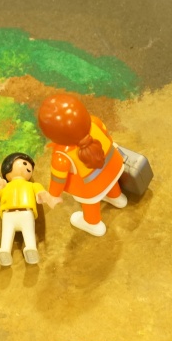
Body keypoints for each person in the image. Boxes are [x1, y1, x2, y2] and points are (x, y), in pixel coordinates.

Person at [37, 94, 126, 237]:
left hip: (90, 188)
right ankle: (117, 197)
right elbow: (108, 138)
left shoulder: (61, 156)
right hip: (113, 167)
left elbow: (58, 180)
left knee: (90, 204)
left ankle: (93, 223)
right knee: (110, 183)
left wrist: (53, 195)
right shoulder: (95, 122)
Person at [0, 153, 61, 266]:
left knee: (28, 232)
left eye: (30, 167)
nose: (27, 167)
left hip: (26, 213)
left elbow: (40, 191)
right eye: (25, 163)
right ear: (8, 166)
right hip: (8, 215)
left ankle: (31, 248)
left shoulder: (32, 185)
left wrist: (46, 196)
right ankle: (5, 250)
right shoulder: (4, 186)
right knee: (7, 234)